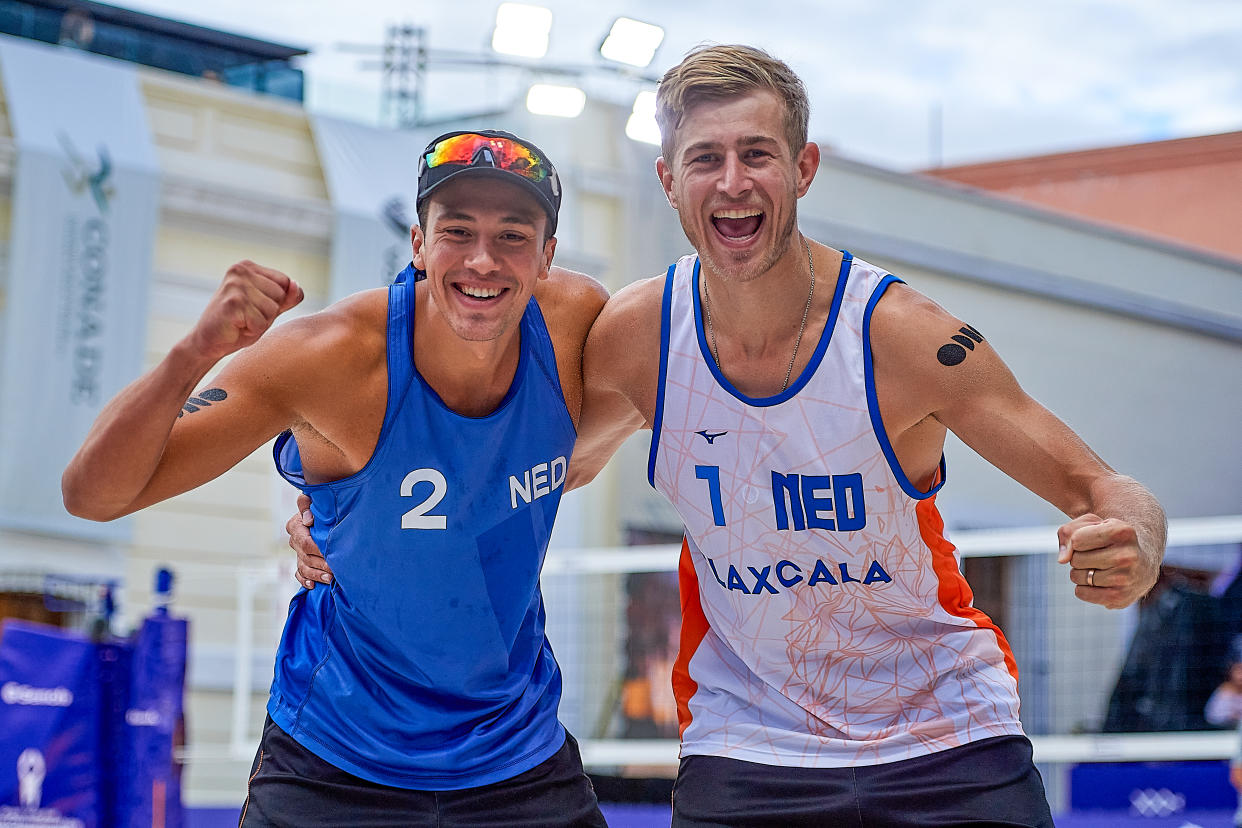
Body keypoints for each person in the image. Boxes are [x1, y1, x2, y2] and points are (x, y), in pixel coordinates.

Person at [290, 45, 1167, 827]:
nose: (733, 181)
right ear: (670, 180)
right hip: (750, 742)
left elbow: (1105, 488)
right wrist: (328, 510)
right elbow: (524, 465)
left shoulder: (902, 338)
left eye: (758, 154)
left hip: (944, 729)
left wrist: (1136, 543)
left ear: (804, 167)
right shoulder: (640, 337)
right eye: (705, 159)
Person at [62, 130, 609, 826]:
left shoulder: (576, 326)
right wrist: (194, 352)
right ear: (418, 243)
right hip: (336, 758)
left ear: (547, 258)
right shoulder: (330, 359)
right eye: (457, 231)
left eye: (511, 235)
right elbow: (93, 494)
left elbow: (587, 453)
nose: (482, 259)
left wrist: (353, 519)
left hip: (514, 752)